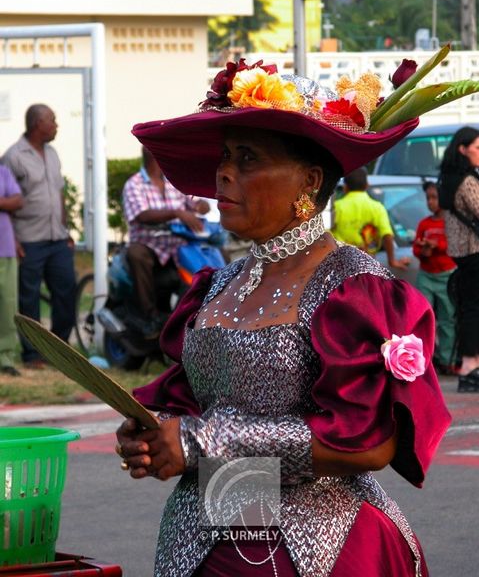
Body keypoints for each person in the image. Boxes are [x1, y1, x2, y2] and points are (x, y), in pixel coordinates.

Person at [116, 59, 453, 577]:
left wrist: (200, 441)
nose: (223, 172)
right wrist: (154, 434)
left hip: (325, 544)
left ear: (309, 181)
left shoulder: (356, 288)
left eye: (248, 158)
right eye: (225, 156)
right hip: (200, 537)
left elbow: (370, 444)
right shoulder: (219, 283)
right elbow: (189, 400)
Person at [2, 104, 77, 369]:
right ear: (38, 124)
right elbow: (7, 199)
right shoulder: (13, 156)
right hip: (28, 239)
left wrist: (67, 231)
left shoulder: (53, 153)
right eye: (52, 120)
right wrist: (15, 240)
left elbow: (58, 195)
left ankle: (61, 352)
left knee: (67, 290)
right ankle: (33, 355)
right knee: (28, 298)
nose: (56, 125)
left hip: (57, 239)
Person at [122, 146, 210, 338]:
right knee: (137, 254)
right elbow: (141, 215)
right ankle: (149, 316)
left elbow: (193, 204)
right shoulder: (134, 184)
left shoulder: (173, 183)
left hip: (176, 244)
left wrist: (201, 205)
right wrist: (177, 213)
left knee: (211, 256)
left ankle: (190, 316)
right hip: (149, 244)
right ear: (153, 156)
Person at [438, 126, 479, 392]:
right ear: (463, 150)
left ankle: (469, 366)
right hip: (475, 252)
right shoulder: (467, 182)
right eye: (477, 147)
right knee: (474, 311)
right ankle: (470, 367)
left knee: (468, 310)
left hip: (461, 256)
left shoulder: (447, 180)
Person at [413, 181, 457, 375]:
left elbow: (453, 246)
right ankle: (424, 361)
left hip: (446, 276)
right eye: (428, 198)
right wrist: (423, 249)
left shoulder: (451, 222)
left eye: (434, 197)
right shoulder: (424, 223)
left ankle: (448, 360)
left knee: (448, 319)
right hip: (426, 276)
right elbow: (416, 249)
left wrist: (435, 246)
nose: (431, 202)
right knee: (423, 317)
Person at [333, 166, 410, 270]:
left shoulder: (336, 207)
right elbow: (387, 235)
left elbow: (324, 236)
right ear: (367, 185)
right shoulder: (377, 207)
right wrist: (392, 261)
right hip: (368, 267)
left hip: (340, 266)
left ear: (345, 187)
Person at [0, 163, 24, 376]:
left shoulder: (4, 171)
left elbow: (17, 200)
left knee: (7, 306)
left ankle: (5, 357)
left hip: (4, 247)